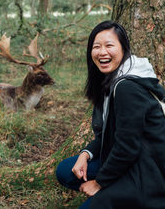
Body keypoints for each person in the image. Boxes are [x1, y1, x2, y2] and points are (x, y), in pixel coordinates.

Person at [56, 20, 165, 209]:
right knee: (66, 171)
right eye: (96, 46)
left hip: (148, 169)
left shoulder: (126, 87)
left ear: (124, 48)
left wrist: (99, 183)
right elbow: (110, 133)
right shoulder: (111, 80)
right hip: (129, 157)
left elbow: (127, 146)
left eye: (109, 45)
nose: (102, 52)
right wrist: (85, 154)